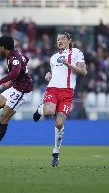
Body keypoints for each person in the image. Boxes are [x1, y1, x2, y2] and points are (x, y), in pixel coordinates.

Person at [33, 32, 87, 167]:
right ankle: (40, 110)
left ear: (69, 41)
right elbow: (55, 73)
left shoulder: (76, 52)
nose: (60, 41)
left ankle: (56, 153)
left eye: (63, 38)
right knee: (49, 111)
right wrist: (48, 74)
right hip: (53, 89)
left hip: (67, 92)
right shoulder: (53, 57)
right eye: (58, 39)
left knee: (59, 123)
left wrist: (69, 65)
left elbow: (83, 72)